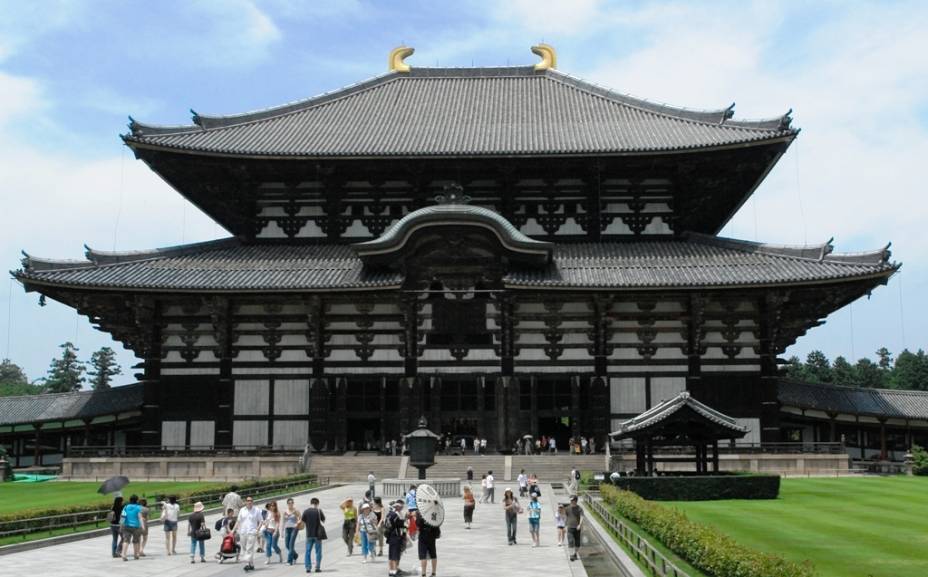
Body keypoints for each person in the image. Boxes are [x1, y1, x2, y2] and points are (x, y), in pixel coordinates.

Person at [237, 495, 264, 571]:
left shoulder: (256, 510)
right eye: (248, 500)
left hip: (252, 532)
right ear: (245, 502)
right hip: (243, 532)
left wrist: (257, 530)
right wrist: (238, 530)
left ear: (252, 502)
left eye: (251, 500)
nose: (249, 502)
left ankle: (247, 564)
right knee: (245, 548)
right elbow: (239, 520)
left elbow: (261, 521)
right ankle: (251, 564)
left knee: (249, 548)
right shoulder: (242, 510)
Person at [301, 497, 326, 573]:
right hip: (317, 535)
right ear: (317, 503)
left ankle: (308, 568)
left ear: (311, 503)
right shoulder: (318, 511)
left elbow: (303, 522)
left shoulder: (306, 511)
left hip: (309, 535)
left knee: (308, 551)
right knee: (318, 551)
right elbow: (323, 520)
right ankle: (317, 567)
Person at [120, 494, 145, 561]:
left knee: (126, 541)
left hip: (126, 526)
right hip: (136, 527)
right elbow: (140, 518)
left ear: (130, 500)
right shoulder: (138, 507)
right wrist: (143, 526)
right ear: (137, 500)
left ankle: (123, 554)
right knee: (136, 541)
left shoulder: (126, 507)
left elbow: (123, 517)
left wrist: (121, 525)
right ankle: (136, 555)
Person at [385, 500, 406, 577]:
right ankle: (394, 571)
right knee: (395, 555)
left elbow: (387, 526)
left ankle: (391, 571)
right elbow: (402, 527)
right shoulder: (396, 516)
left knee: (391, 555)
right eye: (399, 506)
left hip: (391, 537)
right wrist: (404, 534)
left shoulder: (389, 515)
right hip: (396, 537)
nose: (400, 507)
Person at [416, 510, 439, 577]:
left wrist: (417, 517)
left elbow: (418, 524)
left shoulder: (421, 512)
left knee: (423, 555)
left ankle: (423, 574)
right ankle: (434, 573)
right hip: (432, 535)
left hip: (423, 535)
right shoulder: (434, 512)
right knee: (433, 554)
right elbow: (437, 524)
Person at [261, 500, 282, 564]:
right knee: (268, 545)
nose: (272, 507)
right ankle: (268, 559)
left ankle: (280, 554)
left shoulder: (277, 513)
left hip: (274, 532)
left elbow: (278, 523)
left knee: (274, 545)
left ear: (275, 506)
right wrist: (264, 523)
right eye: (271, 505)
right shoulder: (268, 513)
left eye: (273, 505)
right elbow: (267, 521)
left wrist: (276, 531)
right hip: (268, 531)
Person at [565, 495, 585, 561]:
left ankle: (575, 553)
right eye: (571, 500)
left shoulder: (579, 508)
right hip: (570, 527)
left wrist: (580, 524)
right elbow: (565, 517)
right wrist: (564, 526)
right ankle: (571, 555)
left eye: (572, 500)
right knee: (570, 541)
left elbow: (582, 516)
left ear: (576, 500)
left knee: (577, 543)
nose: (571, 501)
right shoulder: (567, 508)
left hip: (577, 528)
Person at [283, 498, 301, 565]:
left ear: (293, 503)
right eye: (289, 503)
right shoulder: (285, 511)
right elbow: (283, 521)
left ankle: (289, 561)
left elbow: (300, 518)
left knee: (291, 545)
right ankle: (295, 555)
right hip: (287, 529)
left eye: (292, 503)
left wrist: (297, 523)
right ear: (287, 504)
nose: (290, 504)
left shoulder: (296, 511)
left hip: (294, 529)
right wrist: (281, 531)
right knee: (287, 545)